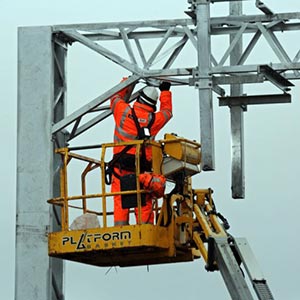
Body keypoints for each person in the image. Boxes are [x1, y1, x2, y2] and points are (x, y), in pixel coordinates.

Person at [110, 78, 172, 226]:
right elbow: (167, 112)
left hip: (120, 167)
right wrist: (165, 92)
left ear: (139, 99)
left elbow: (115, 98)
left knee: (120, 199)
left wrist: (127, 82)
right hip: (142, 170)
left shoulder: (123, 111)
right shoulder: (154, 120)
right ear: (153, 104)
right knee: (144, 200)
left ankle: (120, 231)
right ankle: (146, 230)